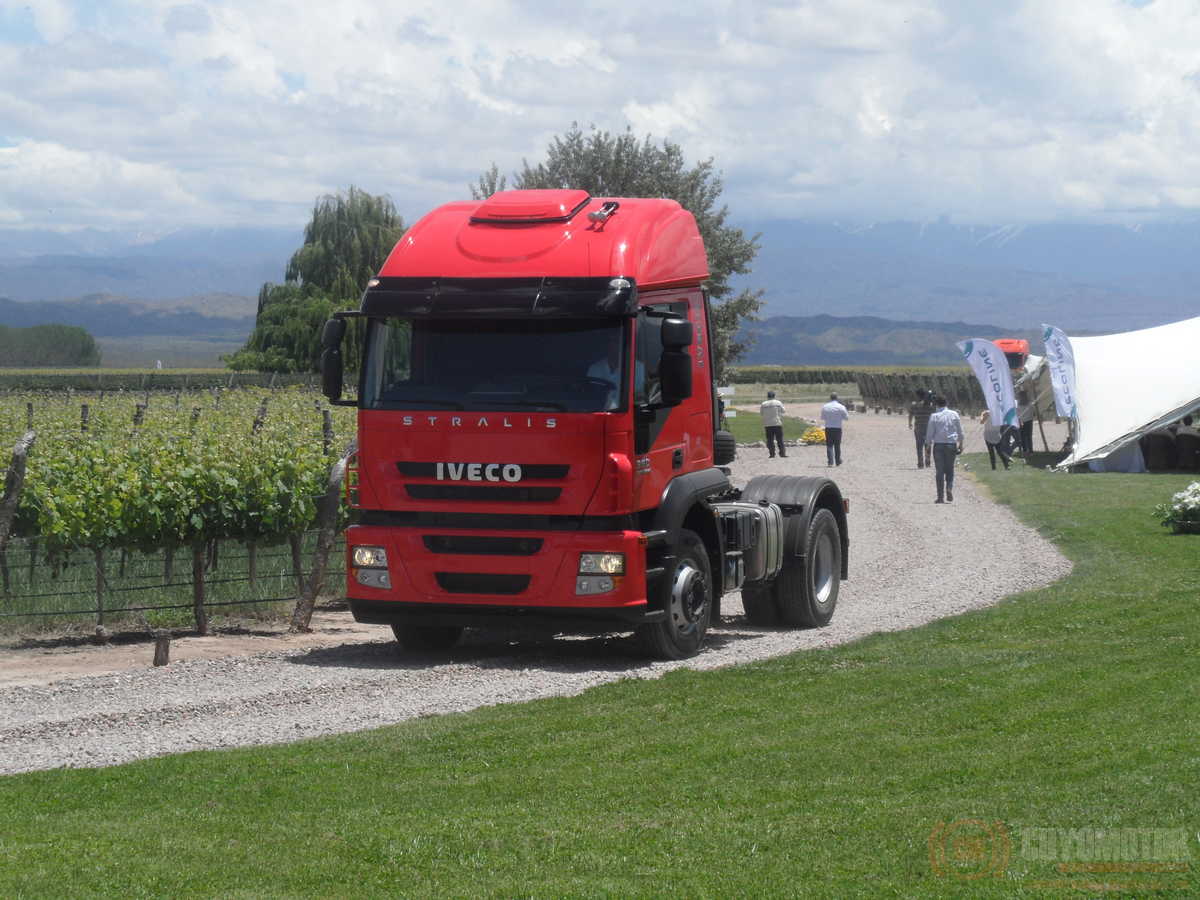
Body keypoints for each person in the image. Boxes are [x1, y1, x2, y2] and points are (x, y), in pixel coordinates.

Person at [925, 395, 964, 503]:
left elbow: (929, 434)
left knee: (939, 471)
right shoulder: (954, 414)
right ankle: (949, 488)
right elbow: (960, 431)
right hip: (951, 445)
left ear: (936, 404)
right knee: (950, 469)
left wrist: (928, 446)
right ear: (946, 403)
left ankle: (940, 497)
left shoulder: (934, 416)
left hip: (939, 445)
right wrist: (960, 444)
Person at [907, 389, 935, 468]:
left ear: (918, 396)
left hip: (918, 427)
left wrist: (910, 423)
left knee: (919, 446)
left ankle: (920, 463)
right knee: (928, 445)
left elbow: (910, 415)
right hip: (929, 428)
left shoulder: (914, 405)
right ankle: (928, 461)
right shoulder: (930, 405)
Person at [821, 392, 849, 466]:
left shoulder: (825, 406)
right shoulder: (841, 407)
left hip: (828, 428)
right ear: (837, 398)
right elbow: (846, 418)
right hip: (837, 428)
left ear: (830, 398)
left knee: (829, 445)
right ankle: (837, 461)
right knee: (837, 445)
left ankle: (830, 462)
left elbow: (822, 417)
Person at [760, 390, 786, 458]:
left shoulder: (763, 404)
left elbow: (761, 413)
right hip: (777, 423)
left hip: (767, 424)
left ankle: (772, 454)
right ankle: (782, 453)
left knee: (770, 440)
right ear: (774, 396)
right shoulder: (778, 402)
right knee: (780, 439)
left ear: (767, 396)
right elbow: (783, 411)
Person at [1016, 390, 1036, 454]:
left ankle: (1025, 450)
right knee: (1028, 436)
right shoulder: (1030, 404)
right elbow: (1034, 413)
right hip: (1028, 421)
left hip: (1022, 421)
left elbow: (1017, 414)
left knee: (1023, 437)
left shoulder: (1019, 405)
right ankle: (1030, 451)